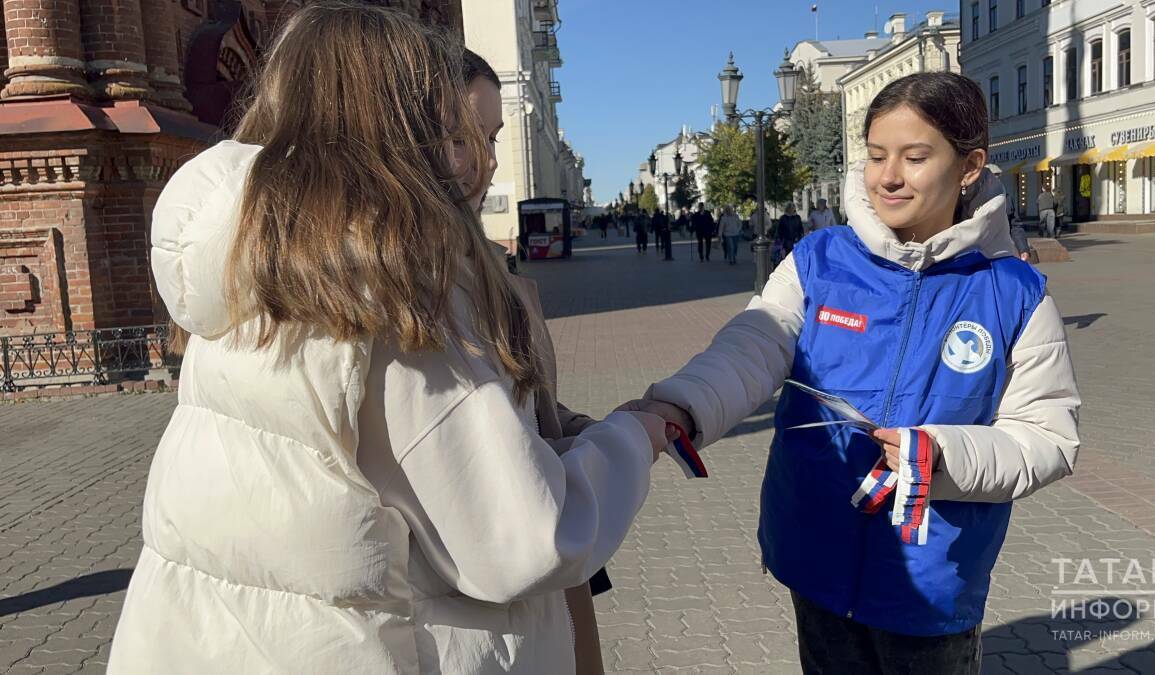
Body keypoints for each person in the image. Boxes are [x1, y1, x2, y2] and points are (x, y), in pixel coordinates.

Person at [107, 5, 667, 673]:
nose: (468, 153)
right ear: (398, 120)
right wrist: (636, 437)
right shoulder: (390, 287)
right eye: (445, 121)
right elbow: (523, 538)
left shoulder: (244, 259)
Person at [621, 72, 1080, 674]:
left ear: (969, 165)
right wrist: (680, 405)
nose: (889, 176)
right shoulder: (819, 261)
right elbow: (752, 346)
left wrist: (944, 455)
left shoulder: (1014, 294)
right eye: (876, 156)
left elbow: (1048, 438)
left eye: (916, 157)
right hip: (815, 557)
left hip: (932, 580)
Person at [461, 47, 614, 674]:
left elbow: (528, 410)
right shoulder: (424, 294)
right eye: (468, 136)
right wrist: (624, 447)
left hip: (551, 569)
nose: (491, 159)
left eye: (494, 137)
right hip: (498, 593)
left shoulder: (495, 272)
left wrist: (580, 428)